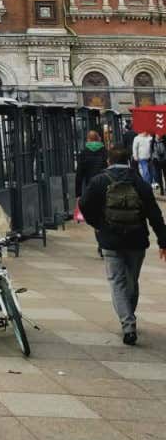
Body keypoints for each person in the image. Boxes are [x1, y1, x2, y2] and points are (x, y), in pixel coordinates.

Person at [79, 142, 166, 345]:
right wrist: (163, 240)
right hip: (137, 241)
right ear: (128, 161)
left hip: (110, 240)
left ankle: (128, 324)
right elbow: (155, 213)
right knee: (132, 282)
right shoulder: (140, 182)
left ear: (109, 161)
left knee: (117, 283)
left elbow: (84, 205)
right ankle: (130, 316)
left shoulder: (99, 181)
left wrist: (98, 224)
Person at [75, 129, 108, 202]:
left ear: (88, 139)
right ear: (98, 139)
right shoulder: (104, 151)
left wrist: (78, 194)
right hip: (104, 185)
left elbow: (79, 175)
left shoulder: (84, 153)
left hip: (89, 186)